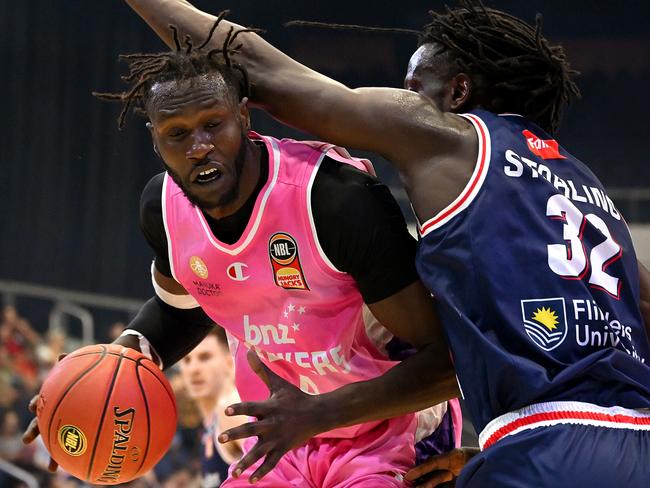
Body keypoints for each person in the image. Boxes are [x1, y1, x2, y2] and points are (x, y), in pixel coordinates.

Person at [124, 1, 650, 487]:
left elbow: (266, 72)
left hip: (545, 441)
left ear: (456, 94)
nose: (400, 97)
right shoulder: (586, 189)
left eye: (412, 85)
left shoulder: (452, 137)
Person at [24, 23, 460, 487]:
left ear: (244, 117)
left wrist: (318, 414)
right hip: (283, 435)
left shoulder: (336, 201)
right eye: (177, 134)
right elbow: (181, 312)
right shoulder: (163, 210)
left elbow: (448, 364)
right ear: (155, 140)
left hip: (388, 431)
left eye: (214, 124)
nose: (199, 147)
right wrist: (102, 372)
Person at [178, 327, 244, 487]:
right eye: (187, 360)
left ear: (229, 363)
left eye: (205, 357)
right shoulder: (210, 421)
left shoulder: (232, 410)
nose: (193, 369)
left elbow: (281, 472)